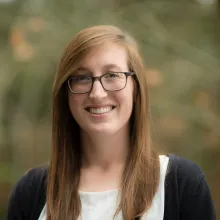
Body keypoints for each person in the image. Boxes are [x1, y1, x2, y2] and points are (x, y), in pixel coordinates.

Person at [7, 25, 216, 220]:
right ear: (66, 94)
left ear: (136, 88)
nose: (97, 93)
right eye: (81, 78)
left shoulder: (182, 184)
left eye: (112, 75)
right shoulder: (32, 191)